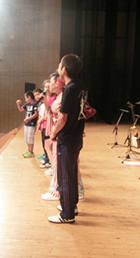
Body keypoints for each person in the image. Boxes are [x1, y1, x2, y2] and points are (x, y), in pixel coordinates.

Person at [48, 54, 86, 224]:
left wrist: (53, 133)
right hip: (77, 136)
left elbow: (62, 118)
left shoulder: (70, 89)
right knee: (70, 174)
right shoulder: (81, 87)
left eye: (59, 66)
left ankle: (67, 214)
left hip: (67, 138)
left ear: (63, 69)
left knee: (64, 176)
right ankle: (72, 206)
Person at [16, 91, 38, 158]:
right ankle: (28, 150)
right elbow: (21, 110)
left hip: (31, 124)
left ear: (29, 97)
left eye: (26, 98)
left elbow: (36, 114)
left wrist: (28, 119)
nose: (25, 100)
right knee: (27, 138)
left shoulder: (35, 104)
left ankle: (31, 152)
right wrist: (18, 104)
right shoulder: (26, 104)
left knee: (30, 138)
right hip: (26, 123)